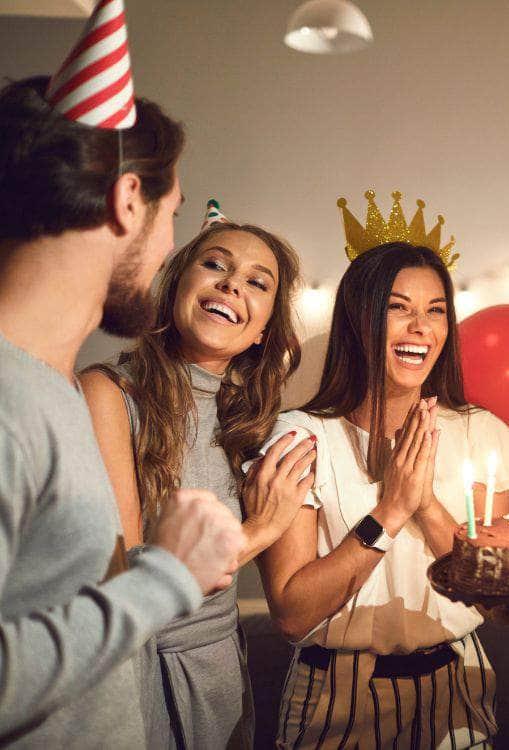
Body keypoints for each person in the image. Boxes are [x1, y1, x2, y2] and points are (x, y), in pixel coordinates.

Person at [0, 64, 243, 750]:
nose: (169, 247)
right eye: (173, 216)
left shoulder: (55, 388)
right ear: (128, 200)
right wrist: (167, 577)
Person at [256, 191, 509, 748]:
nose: (419, 327)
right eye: (398, 307)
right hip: (336, 695)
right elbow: (290, 611)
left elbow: (492, 597)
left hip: (458, 683)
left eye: (435, 310)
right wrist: (389, 512)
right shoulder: (303, 437)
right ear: (359, 320)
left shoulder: (480, 433)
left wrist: (424, 504)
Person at [79, 201, 314, 749]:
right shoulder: (108, 393)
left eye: (258, 282)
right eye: (215, 265)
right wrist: (262, 530)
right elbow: (125, 579)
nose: (233, 285)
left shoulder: (253, 421)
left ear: (263, 331)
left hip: (222, 675)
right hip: (139, 676)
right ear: (177, 284)